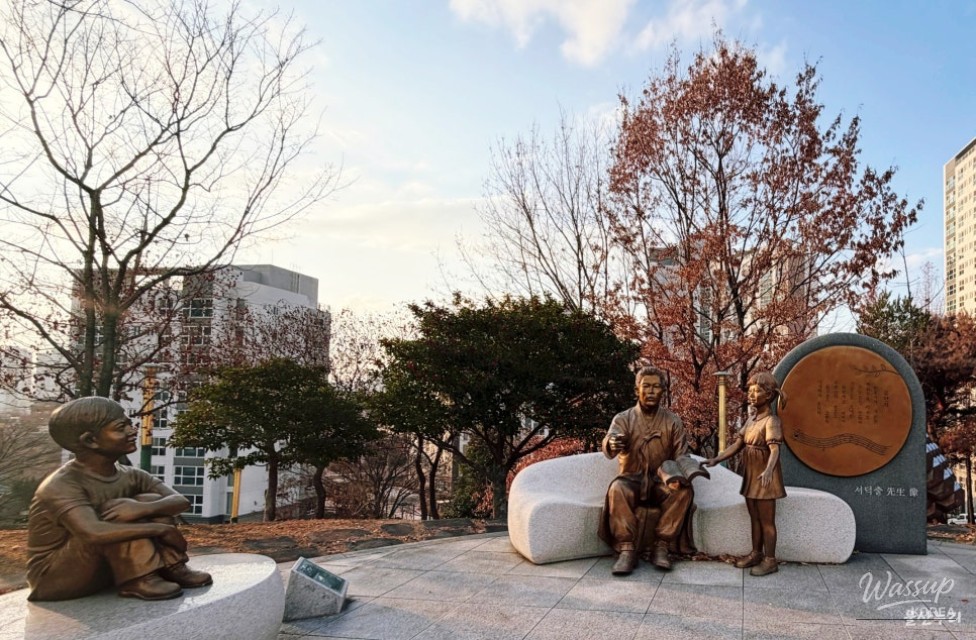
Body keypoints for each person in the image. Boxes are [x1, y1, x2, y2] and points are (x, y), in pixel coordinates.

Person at [26, 396, 212, 601]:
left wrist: (142, 509)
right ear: (90, 440)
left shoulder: (130, 474)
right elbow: (93, 533)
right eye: (120, 427)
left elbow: (180, 501)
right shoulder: (60, 485)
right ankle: (140, 578)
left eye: (129, 425)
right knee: (112, 516)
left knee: (147, 500)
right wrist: (162, 529)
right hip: (56, 578)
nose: (132, 431)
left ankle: (171, 567)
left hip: (102, 570)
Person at [598, 366, 694, 575]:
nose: (651, 391)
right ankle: (626, 549)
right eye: (646, 386)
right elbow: (611, 440)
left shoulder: (672, 421)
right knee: (617, 489)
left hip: (661, 481)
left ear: (663, 391)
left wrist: (682, 474)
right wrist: (612, 443)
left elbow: (681, 454)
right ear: (637, 390)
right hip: (631, 479)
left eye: (656, 387)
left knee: (684, 492)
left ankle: (661, 546)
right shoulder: (623, 418)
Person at [705, 372, 787, 576]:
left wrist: (769, 470)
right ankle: (756, 553)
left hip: (765, 477)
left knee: (767, 520)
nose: (751, 395)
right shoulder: (751, 420)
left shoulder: (771, 421)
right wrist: (717, 459)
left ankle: (770, 560)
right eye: (749, 391)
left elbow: (775, 449)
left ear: (768, 395)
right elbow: (737, 444)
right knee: (754, 518)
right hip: (751, 474)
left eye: (756, 391)